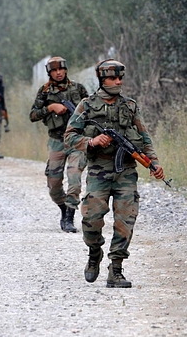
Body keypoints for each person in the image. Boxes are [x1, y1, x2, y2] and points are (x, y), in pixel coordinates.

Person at [64, 59, 165, 288]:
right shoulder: (86, 106)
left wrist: (154, 163)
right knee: (91, 220)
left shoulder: (129, 106)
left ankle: (116, 270)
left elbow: (144, 137)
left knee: (126, 220)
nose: (118, 82)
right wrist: (92, 141)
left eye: (120, 78)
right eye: (113, 78)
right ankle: (94, 252)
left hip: (126, 172)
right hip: (99, 172)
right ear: (102, 79)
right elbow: (69, 137)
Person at [30, 56, 89, 233]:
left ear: (65, 70)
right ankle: (63, 208)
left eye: (60, 69)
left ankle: (70, 217)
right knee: (54, 183)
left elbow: (91, 111)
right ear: (50, 73)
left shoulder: (78, 89)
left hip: (77, 140)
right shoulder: (45, 92)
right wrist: (51, 108)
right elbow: (33, 115)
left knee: (74, 177)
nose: (58, 73)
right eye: (54, 70)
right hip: (56, 141)